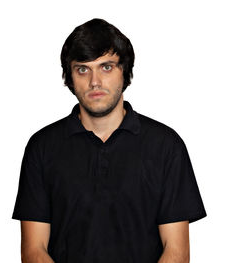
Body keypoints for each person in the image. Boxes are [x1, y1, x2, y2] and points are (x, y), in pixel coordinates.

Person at [12, 18, 207, 263]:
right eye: (83, 69)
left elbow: (177, 251)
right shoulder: (42, 147)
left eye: (106, 67)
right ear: (70, 77)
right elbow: (33, 250)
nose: (95, 81)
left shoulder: (166, 146)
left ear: (124, 72)